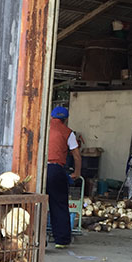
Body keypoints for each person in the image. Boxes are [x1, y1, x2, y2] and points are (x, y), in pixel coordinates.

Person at [46, 106, 81, 248]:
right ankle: (61, 240)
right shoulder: (68, 132)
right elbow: (76, 155)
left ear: (52, 117)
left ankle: (34, 237)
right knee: (59, 203)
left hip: (39, 168)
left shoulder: (43, 128)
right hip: (55, 169)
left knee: (35, 203)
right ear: (65, 119)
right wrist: (77, 173)